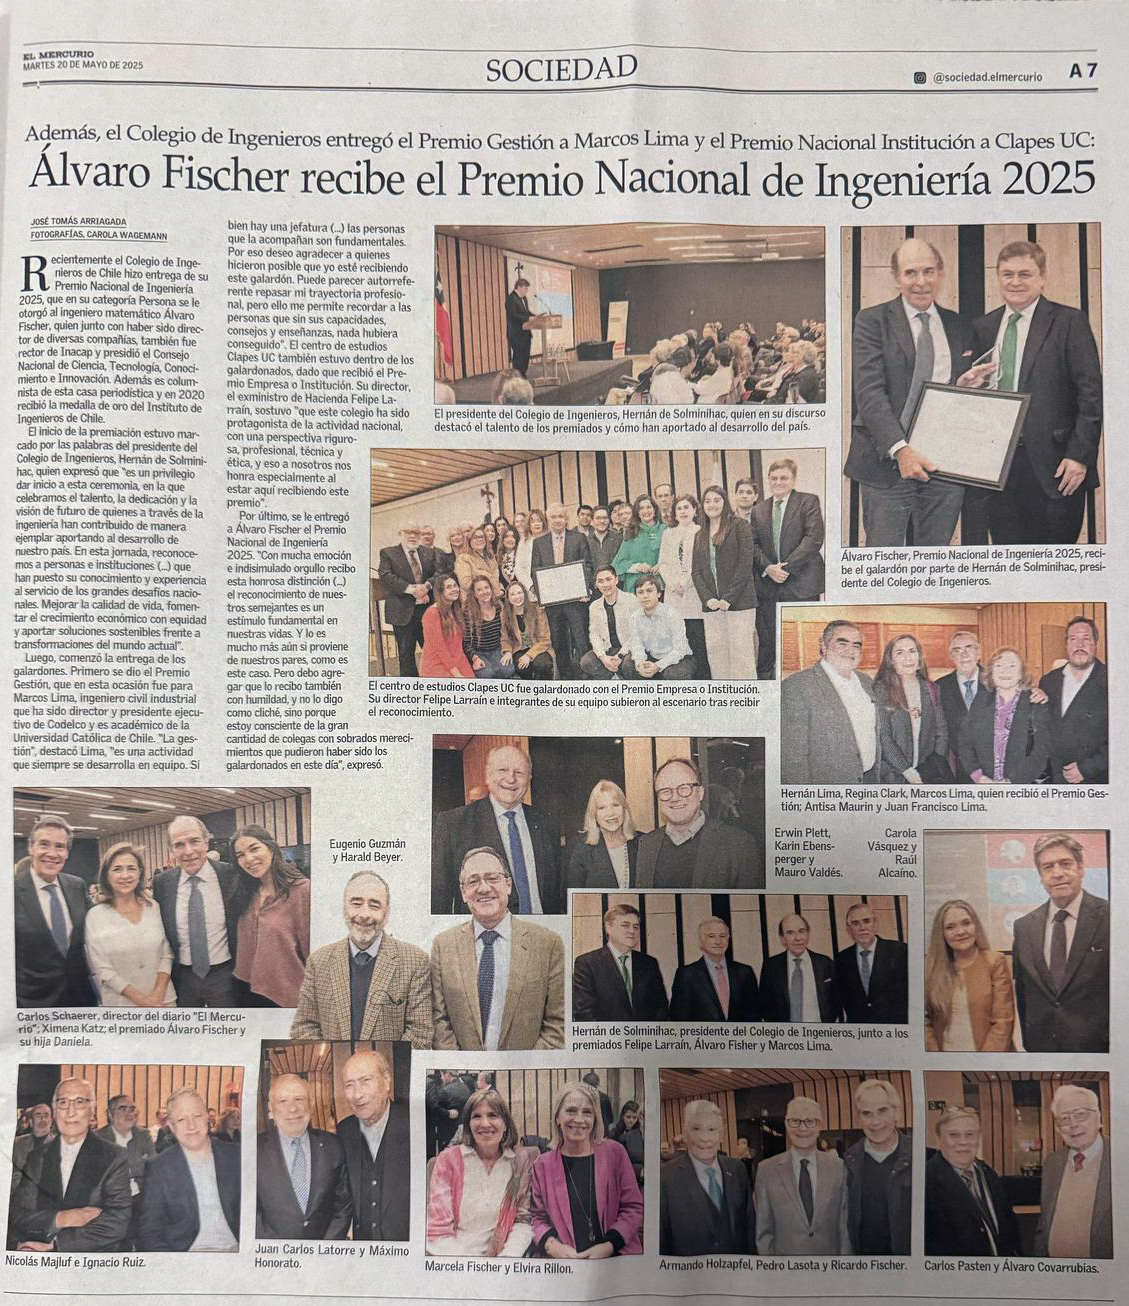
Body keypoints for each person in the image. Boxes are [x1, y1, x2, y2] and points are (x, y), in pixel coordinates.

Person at [845, 237, 976, 546]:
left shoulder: (959, 325)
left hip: (944, 465)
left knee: (933, 559)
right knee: (885, 559)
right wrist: (901, 450)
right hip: (887, 462)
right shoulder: (872, 321)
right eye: (910, 273)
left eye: (929, 271)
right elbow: (869, 393)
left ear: (941, 274)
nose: (921, 281)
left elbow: (956, 394)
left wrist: (968, 387)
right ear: (896, 277)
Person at [970, 240, 1103, 545]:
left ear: (1042, 278)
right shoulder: (983, 327)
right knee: (1008, 561)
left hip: (1057, 469)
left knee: (1054, 564)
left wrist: (1079, 456)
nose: (1015, 282)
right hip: (999, 471)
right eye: (1007, 274)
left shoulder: (1069, 321)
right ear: (998, 278)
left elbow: (1091, 396)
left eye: (1024, 274)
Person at [431, 848, 564, 1050]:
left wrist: (523, 1066)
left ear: (508, 885)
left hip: (525, 1067)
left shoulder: (548, 944)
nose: (484, 888)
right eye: (473, 881)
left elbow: (557, 1024)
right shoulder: (443, 946)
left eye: (492, 878)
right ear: (464, 893)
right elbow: (439, 1020)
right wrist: (463, 1064)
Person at [290, 870, 432, 1046]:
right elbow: (303, 1027)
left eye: (374, 905)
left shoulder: (416, 962)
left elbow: (420, 1033)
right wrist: (337, 1059)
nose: (364, 914)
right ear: (344, 908)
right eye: (356, 903)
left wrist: (372, 1062)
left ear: (387, 914)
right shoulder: (318, 962)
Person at [432, 742, 563, 914]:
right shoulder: (453, 824)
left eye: (519, 772)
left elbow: (556, 892)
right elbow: (439, 898)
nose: (511, 779)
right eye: (502, 770)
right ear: (488, 776)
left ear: (529, 778)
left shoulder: (547, 824)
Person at [1010, 832, 1109, 1053]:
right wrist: (1029, 1043)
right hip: (1042, 1049)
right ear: (1040, 876)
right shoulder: (1024, 927)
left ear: (1081, 868)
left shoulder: (1111, 917)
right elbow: (1024, 993)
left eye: (1065, 864)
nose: (1057, 873)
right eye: (1048, 867)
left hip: (1099, 1050)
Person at [9, 1077, 132, 1252]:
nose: (70, 1112)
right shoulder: (37, 1158)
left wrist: (55, 1245)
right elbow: (16, 1216)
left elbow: (118, 1221)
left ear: (92, 1110)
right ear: (54, 1110)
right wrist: (61, 1218)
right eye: (63, 1102)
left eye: (80, 1102)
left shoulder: (114, 1156)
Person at [530, 1081, 643, 1258]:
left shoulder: (615, 1153)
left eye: (587, 1112)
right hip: (566, 1260)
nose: (579, 1119)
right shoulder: (542, 1165)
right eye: (571, 1110)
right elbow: (536, 1218)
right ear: (557, 1117)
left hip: (615, 1256)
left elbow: (633, 1207)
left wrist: (610, 1245)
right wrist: (553, 1246)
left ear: (595, 1118)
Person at [426, 1087, 537, 1257]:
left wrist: (507, 1258)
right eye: (476, 1116)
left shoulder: (518, 1162)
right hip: (454, 1259)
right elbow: (438, 1231)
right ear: (468, 1125)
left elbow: (522, 1220)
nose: (485, 1123)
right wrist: (472, 1265)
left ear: (505, 1123)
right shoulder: (448, 1160)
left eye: (493, 1115)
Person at [634, 756, 763, 890]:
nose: (675, 798)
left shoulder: (739, 843)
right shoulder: (646, 844)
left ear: (700, 793)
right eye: (665, 791)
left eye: (684, 788)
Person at [152, 815, 242, 1006]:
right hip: (183, 978)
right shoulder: (162, 884)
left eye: (194, 841)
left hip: (225, 976)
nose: (188, 851)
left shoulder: (231, 875)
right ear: (172, 851)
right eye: (179, 845)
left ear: (206, 843)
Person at [136, 1088, 239, 1252]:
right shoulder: (158, 1168)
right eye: (181, 1119)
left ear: (207, 1117)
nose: (192, 1126)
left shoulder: (237, 1156)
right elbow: (150, 1231)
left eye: (197, 1116)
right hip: (188, 1254)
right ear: (171, 1126)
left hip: (236, 1250)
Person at [781, 620, 881, 784]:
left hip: (870, 779)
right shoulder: (796, 687)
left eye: (856, 645)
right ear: (824, 646)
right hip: (829, 787)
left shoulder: (866, 682)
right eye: (842, 643)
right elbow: (792, 759)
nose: (850, 650)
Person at [751, 460, 825, 679]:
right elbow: (753, 545)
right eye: (774, 478)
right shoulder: (758, 510)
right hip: (770, 587)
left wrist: (786, 568)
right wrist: (768, 568)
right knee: (772, 641)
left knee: (805, 639)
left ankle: (808, 682)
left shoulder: (808, 501)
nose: (778, 482)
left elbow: (813, 538)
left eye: (784, 478)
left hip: (802, 584)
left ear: (793, 479)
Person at [256, 1074, 351, 1240]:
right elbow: (249, 1212)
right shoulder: (253, 1150)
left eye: (299, 1099)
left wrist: (325, 1248)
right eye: (283, 1101)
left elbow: (343, 1204)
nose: (293, 1108)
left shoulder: (333, 1145)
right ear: (271, 1108)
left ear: (311, 1104)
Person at [14, 814, 95, 1006]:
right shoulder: (10, 892)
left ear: (67, 853)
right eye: (44, 844)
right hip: (33, 1004)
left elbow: (99, 921)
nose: (52, 853)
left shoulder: (77, 886)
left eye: (60, 846)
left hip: (80, 999)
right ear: (31, 848)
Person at [84, 842, 175, 1007]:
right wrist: (143, 1001)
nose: (125, 875)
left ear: (140, 873)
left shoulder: (153, 907)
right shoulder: (95, 916)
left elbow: (167, 953)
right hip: (122, 1006)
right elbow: (103, 968)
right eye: (117, 869)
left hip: (163, 1001)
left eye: (131, 868)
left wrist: (158, 994)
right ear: (106, 875)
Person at [660, 1099, 755, 1256]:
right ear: (686, 1133)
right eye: (696, 1129)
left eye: (712, 1129)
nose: (705, 1138)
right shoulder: (665, 1177)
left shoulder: (737, 1170)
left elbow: (749, 1228)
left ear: (721, 1135)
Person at [754, 1096, 848, 1254]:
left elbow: (844, 1228)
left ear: (819, 1125)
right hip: (785, 1267)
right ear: (786, 1123)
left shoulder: (839, 1168)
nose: (802, 1128)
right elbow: (764, 1233)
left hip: (830, 1266)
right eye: (795, 1121)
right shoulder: (766, 1170)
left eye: (810, 1121)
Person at [230, 825, 309, 1008]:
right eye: (240, 855)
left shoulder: (301, 890)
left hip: (284, 993)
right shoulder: (245, 891)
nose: (249, 859)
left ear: (271, 849)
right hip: (244, 987)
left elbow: (312, 951)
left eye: (254, 849)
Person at [925, 1106, 1021, 1256]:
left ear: (978, 1138)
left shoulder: (989, 1174)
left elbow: (1009, 1227)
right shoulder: (925, 1181)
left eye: (969, 1134)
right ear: (938, 1140)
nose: (963, 1142)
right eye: (954, 1135)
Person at [336, 1049, 410, 1241]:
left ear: (386, 1082)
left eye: (365, 1081)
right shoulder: (344, 1131)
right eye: (349, 1085)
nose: (357, 1094)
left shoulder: (413, 1124)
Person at [924, 899, 1014, 1052]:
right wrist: (935, 1055)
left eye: (966, 923)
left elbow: (1003, 1021)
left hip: (988, 1058)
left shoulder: (995, 962)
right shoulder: (930, 967)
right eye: (950, 927)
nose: (960, 932)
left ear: (975, 926)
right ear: (941, 934)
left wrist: (982, 1061)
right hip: (945, 1059)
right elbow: (924, 1022)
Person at [1033, 1086, 1111, 1259]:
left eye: (1080, 1114)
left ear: (1098, 1118)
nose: (1073, 1124)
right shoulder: (1052, 1163)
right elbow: (1043, 1224)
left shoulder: (1120, 1158)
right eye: (1064, 1119)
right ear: (1058, 1128)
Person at [692, 484, 757, 681]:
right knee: (717, 654)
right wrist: (708, 599)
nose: (712, 504)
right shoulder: (699, 535)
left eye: (716, 500)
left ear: (724, 502)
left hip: (739, 602)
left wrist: (728, 598)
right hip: (712, 605)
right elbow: (696, 572)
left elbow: (745, 564)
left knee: (741, 654)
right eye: (707, 501)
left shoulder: (739, 526)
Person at [958, 646, 1050, 784]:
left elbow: (1041, 752)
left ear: (1021, 673)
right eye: (999, 665)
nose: (1005, 671)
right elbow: (965, 743)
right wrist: (979, 777)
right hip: (984, 785)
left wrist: (1010, 782)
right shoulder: (981, 700)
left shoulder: (1036, 702)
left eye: (1012, 666)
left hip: (1020, 787)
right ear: (991, 673)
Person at [842, 1079, 911, 1256]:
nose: (875, 1121)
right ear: (859, 1118)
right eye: (867, 1113)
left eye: (882, 1110)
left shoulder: (921, 1157)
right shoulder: (849, 1160)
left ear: (897, 1112)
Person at [873, 634, 952, 784]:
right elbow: (883, 736)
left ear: (919, 657)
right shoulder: (882, 689)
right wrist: (906, 770)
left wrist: (933, 765)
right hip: (894, 776)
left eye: (912, 651)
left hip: (927, 774)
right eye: (900, 653)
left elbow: (941, 731)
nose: (907, 658)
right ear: (891, 660)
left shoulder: (932, 688)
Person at [1038, 615, 1108, 784]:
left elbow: (1123, 737)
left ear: (1096, 644)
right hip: (1055, 779)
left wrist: (1087, 769)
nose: (1079, 645)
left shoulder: (1113, 681)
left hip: (1095, 781)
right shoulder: (1048, 681)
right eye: (1073, 639)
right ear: (1066, 644)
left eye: (1086, 638)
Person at [572, 903, 669, 1022]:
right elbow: (584, 1014)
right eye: (625, 925)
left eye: (636, 927)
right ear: (608, 928)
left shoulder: (649, 963)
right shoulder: (587, 963)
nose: (632, 931)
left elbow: (661, 1008)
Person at [531, 503, 592, 678]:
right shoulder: (539, 543)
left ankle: (586, 676)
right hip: (553, 602)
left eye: (560, 516)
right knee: (558, 641)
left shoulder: (579, 538)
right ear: (548, 519)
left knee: (581, 639)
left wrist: (583, 589)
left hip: (575, 600)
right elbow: (535, 571)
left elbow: (588, 566)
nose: (557, 520)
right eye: (553, 517)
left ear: (566, 519)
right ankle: (566, 677)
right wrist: (542, 595)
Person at [669, 916, 759, 1022]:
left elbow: (754, 1015)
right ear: (701, 941)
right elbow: (679, 1019)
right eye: (711, 936)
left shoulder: (745, 972)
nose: (718, 941)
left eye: (722, 936)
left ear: (728, 939)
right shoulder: (686, 975)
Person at [657, 493, 708, 676]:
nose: (683, 511)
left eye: (687, 507)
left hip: (694, 593)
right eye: (679, 508)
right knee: (678, 639)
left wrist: (684, 584)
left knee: (698, 640)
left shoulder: (701, 532)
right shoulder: (668, 534)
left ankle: (703, 679)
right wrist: (672, 584)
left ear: (695, 510)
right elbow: (663, 563)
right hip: (673, 595)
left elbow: (700, 563)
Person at [377, 522, 436, 677]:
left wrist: (427, 587)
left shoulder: (428, 553)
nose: (412, 536)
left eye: (416, 532)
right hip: (402, 613)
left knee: (433, 653)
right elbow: (385, 576)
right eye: (408, 532)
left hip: (427, 611)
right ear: (400, 533)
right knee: (406, 657)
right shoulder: (388, 553)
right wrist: (412, 590)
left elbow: (438, 573)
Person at [834, 901, 908, 1024]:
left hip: (894, 1028)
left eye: (866, 921)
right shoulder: (842, 959)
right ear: (849, 929)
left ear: (875, 924)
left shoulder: (900, 951)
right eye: (855, 923)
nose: (862, 927)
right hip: (860, 1030)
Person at [95, 1093, 155, 1240]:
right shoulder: (98, 1138)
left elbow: (153, 1167)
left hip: (139, 1197)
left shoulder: (143, 1135)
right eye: (123, 1109)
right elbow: (98, 1175)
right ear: (110, 1114)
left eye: (132, 1109)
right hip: (109, 1200)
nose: (129, 1113)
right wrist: (138, 1163)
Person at [759, 914, 839, 1023]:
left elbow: (836, 1001)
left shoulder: (825, 963)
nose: (797, 938)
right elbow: (764, 1004)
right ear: (782, 938)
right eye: (790, 933)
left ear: (808, 934)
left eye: (802, 931)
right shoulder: (771, 966)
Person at [566, 780, 638, 891]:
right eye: (602, 808)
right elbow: (573, 897)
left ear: (624, 809)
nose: (610, 813)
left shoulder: (642, 843)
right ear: (594, 814)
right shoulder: (582, 851)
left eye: (615, 805)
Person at [934, 630, 986, 782]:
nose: (964, 654)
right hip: (960, 769)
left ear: (979, 652)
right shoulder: (940, 687)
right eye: (957, 650)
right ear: (952, 656)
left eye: (969, 648)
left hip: (997, 766)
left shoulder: (997, 680)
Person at [622, 576, 695, 679]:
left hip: (678, 658)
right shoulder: (635, 617)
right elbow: (637, 645)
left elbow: (680, 649)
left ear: (659, 593)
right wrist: (640, 664)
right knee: (628, 664)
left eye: (649, 591)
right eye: (640, 592)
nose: (645, 596)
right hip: (653, 657)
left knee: (672, 674)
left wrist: (658, 666)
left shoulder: (671, 614)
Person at [578, 564, 640, 679]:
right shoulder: (594, 606)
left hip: (628, 649)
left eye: (608, 579)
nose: (605, 584)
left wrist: (620, 655)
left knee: (628, 664)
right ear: (596, 585)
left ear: (616, 580)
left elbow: (637, 634)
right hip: (608, 649)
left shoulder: (631, 601)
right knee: (586, 662)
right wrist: (602, 657)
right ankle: (614, 678)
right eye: (600, 581)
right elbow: (594, 635)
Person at [419, 574, 473, 678]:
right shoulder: (432, 613)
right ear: (441, 592)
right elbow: (439, 648)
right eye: (448, 587)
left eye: (455, 585)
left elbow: (458, 646)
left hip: (457, 660)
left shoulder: (455, 609)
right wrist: (457, 674)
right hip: (437, 664)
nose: (454, 589)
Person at [612, 493, 665, 594]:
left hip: (661, 586)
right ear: (637, 513)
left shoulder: (666, 530)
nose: (646, 511)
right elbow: (618, 563)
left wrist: (663, 565)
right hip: (636, 588)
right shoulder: (631, 533)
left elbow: (676, 558)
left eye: (649, 507)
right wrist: (637, 566)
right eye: (641, 508)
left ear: (654, 510)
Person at [500, 579, 554, 678]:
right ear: (508, 598)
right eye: (512, 594)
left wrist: (529, 655)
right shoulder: (504, 614)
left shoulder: (536, 610)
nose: (517, 597)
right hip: (519, 648)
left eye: (519, 593)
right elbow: (505, 639)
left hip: (538, 647)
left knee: (543, 664)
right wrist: (507, 652)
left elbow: (545, 640)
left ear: (525, 594)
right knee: (522, 667)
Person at [463, 575, 513, 679]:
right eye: (479, 590)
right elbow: (466, 643)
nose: (484, 592)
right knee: (487, 674)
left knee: (508, 670)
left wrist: (508, 651)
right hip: (479, 652)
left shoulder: (499, 606)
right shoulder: (469, 613)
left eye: (486, 587)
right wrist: (475, 658)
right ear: (474, 594)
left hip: (498, 649)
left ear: (491, 589)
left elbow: (508, 632)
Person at [11, 1103, 54, 1199]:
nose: (43, 1119)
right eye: (38, 1115)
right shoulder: (17, 1144)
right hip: (19, 1198)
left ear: (51, 1121)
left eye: (46, 1115)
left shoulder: (59, 1144)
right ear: (31, 1121)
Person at [427, 1070, 471, 1155]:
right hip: (463, 1127)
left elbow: (437, 1108)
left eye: (442, 1075)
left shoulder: (446, 1090)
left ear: (447, 1074)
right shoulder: (466, 1088)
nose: (441, 1078)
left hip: (447, 1130)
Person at [455, 525, 502, 598]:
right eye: (475, 537)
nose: (479, 539)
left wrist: (502, 590)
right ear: (469, 541)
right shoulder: (464, 558)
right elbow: (466, 584)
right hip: (474, 599)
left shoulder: (491, 557)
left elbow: (497, 580)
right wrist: (485, 574)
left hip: (494, 598)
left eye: (482, 537)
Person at [608, 1101, 644, 1184]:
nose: (631, 1120)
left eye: (634, 1118)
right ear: (622, 1117)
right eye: (628, 1117)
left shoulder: (640, 1134)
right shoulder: (614, 1133)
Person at [514, 506, 547, 594]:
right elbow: (519, 568)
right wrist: (530, 586)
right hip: (531, 589)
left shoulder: (549, 540)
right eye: (533, 522)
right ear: (529, 525)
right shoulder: (523, 543)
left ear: (543, 523)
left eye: (539, 521)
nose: (536, 524)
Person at [585, 505, 622, 580]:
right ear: (592, 521)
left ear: (609, 520)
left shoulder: (618, 539)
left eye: (605, 518)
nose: (602, 521)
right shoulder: (585, 541)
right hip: (594, 584)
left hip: (616, 583)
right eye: (598, 518)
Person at [505, 276, 533, 375]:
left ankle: (523, 375)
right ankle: (518, 377)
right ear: (519, 287)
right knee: (519, 357)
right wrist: (528, 318)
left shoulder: (524, 298)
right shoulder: (511, 298)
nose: (527, 291)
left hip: (525, 332)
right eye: (525, 288)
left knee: (525, 356)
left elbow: (526, 312)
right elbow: (513, 315)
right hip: (516, 333)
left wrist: (535, 316)